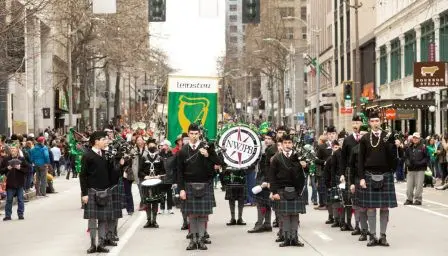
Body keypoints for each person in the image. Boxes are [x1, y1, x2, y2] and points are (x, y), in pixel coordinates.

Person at [357, 110, 398, 247]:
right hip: (369, 174)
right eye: (372, 121)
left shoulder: (387, 136)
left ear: (380, 122)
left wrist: (396, 146)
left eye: (377, 121)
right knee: (371, 208)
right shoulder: (364, 138)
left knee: (385, 207)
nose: (375, 123)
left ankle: (383, 236)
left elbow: (394, 157)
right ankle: (372, 236)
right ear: (369, 123)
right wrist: (361, 178)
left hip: (385, 174)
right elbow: (360, 160)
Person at [177, 123, 220, 251]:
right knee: (192, 215)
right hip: (188, 184)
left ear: (199, 134)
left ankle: (201, 239)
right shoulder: (183, 150)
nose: (194, 136)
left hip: (204, 184)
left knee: (201, 215)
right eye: (191, 134)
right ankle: (192, 240)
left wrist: (208, 155)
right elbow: (179, 171)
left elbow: (219, 162)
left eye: (196, 134)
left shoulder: (207, 147)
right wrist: (181, 189)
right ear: (188, 134)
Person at [80, 131, 120, 254]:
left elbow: (112, 175)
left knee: (103, 218)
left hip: (105, 190)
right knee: (92, 219)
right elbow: (83, 175)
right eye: (104, 139)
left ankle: (101, 243)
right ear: (96, 141)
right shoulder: (87, 155)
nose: (106, 141)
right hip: (92, 190)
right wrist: (84, 193)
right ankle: (93, 244)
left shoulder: (106, 155)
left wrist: (118, 165)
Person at [269, 134, 306, 247]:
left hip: (296, 190)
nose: (287, 145)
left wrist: (305, 165)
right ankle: (286, 238)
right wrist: (274, 192)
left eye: (289, 143)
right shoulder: (276, 158)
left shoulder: (298, 157)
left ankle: (294, 238)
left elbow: (305, 173)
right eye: (285, 143)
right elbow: (272, 176)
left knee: (295, 215)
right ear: (282, 144)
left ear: (292, 144)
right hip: (282, 189)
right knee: (285, 215)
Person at [339, 113, 363, 232]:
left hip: (363, 171)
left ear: (362, 124)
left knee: (361, 199)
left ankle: (360, 226)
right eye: (353, 123)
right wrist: (342, 173)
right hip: (349, 171)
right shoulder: (347, 140)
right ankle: (347, 223)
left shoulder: (366, 138)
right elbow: (343, 158)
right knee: (348, 198)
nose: (355, 125)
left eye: (357, 123)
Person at [248, 131, 275, 233]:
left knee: (260, 202)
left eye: (269, 139)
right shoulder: (266, 149)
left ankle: (259, 224)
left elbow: (270, 168)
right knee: (266, 202)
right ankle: (267, 224)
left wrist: (267, 180)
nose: (267, 140)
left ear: (274, 140)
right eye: (266, 138)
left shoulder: (272, 150)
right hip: (263, 177)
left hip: (265, 178)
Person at [349, 125, 370, 241]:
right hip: (358, 179)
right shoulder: (355, 149)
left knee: (370, 207)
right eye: (360, 134)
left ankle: (371, 231)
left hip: (370, 179)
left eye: (364, 134)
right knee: (360, 206)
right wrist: (351, 183)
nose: (361, 136)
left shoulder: (373, 147)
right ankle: (362, 229)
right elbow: (351, 168)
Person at [140, 138, 165, 228]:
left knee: (155, 201)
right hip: (147, 181)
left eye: (153, 145)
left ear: (156, 146)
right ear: (147, 146)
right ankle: (148, 220)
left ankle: (154, 220)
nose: (152, 147)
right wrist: (145, 176)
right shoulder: (143, 158)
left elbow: (163, 171)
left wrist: (159, 176)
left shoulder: (160, 158)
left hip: (156, 182)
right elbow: (140, 171)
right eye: (150, 145)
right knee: (147, 202)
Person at [1, 145, 29, 221]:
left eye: (14, 149)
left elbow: (27, 169)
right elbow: (1, 170)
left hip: (19, 182)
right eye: (11, 149)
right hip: (10, 183)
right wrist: (7, 168)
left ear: (17, 150)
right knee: (9, 200)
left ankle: (20, 214)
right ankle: (8, 215)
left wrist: (20, 168)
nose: (12, 150)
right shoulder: (6, 159)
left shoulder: (21, 159)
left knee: (20, 199)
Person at [403, 132, 429, 205]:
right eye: (414, 137)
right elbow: (406, 157)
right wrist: (407, 162)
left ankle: (418, 199)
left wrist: (420, 163)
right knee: (409, 186)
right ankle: (409, 199)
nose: (415, 139)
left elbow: (427, 158)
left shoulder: (423, 147)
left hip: (420, 169)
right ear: (412, 138)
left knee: (419, 186)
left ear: (419, 138)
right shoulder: (409, 147)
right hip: (411, 169)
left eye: (417, 138)